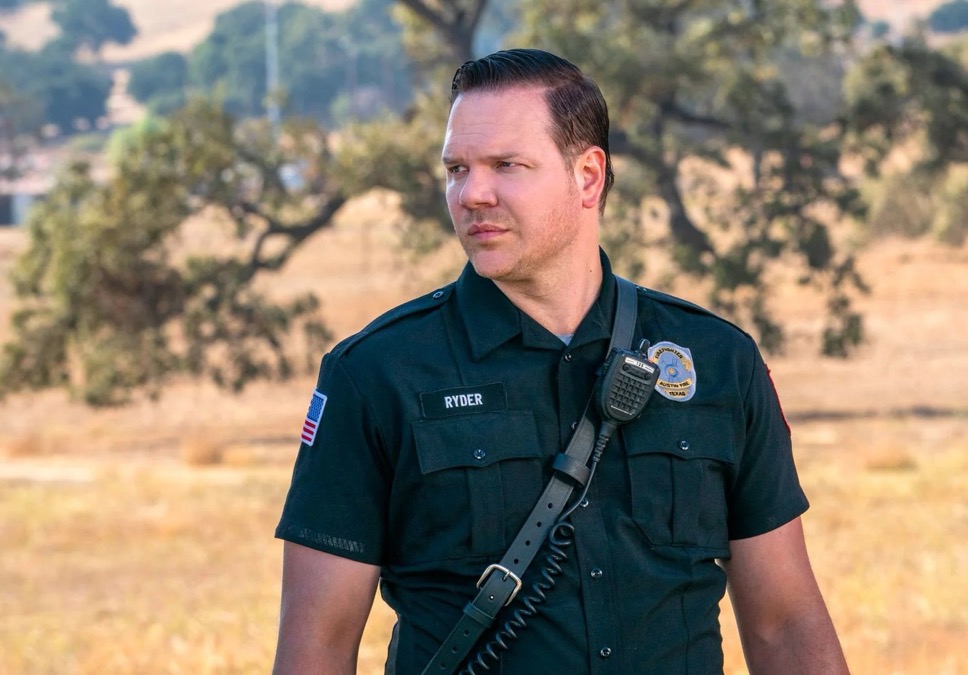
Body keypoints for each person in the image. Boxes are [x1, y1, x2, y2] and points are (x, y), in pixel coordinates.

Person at [272, 48, 848, 675]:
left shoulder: (715, 359)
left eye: (506, 165)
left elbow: (784, 622)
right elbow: (318, 648)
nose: (472, 194)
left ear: (589, 177)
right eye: (456, 168)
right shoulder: (376, 373)